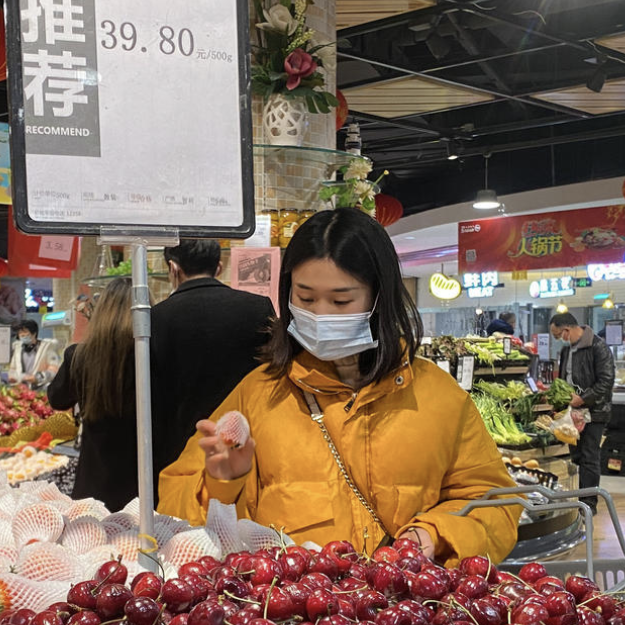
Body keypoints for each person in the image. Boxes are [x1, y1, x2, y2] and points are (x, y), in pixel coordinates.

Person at [160, 208, 519, 563]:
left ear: (379, 298)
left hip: (406, 612)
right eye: (305, 298)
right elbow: (174, 514)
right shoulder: (258, 394)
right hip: (292, 613)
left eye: (341, 300)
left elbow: (496, 504)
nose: (321, 314)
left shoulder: (438, 397)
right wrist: (222, 482)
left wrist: (435, 534)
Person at [150, 238, 275, 484]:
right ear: (219, 267)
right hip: (245, 448)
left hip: (176, 453)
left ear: (173, 268)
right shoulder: (258, 307)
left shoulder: (156, 317)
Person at [47, 280, 138, 511]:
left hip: (94, 482)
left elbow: (56, 399)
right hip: (145, 484)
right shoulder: (151, 354)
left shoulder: (79, 356)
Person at [550, 311, 615, 505]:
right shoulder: (566, 351)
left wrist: (584, 399)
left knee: (589, 457)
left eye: (558, 335)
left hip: (594, 412)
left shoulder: (598, 348)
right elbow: (564, 379)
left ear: (567, 330)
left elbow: (606, 381)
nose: (559, 340)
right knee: (576, 456)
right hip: (573, 412)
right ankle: (579, 498)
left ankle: (588, 503)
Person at [8, 318, 58, 385]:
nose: (22, 335)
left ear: (34, 333)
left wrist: (37, 378)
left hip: (41, 389)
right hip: (22, 389)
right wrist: (12, 377)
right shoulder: (18, 348)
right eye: (20, 333)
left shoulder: (47, 348)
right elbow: (13, 368)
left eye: (25, 332)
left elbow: (54, 369)